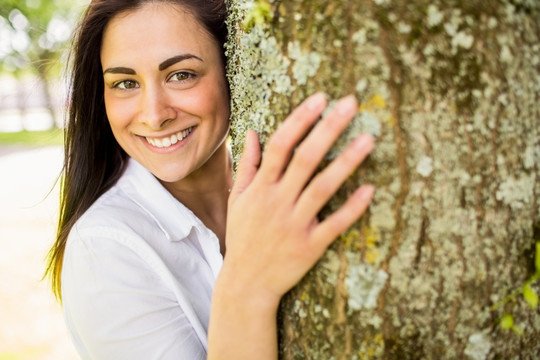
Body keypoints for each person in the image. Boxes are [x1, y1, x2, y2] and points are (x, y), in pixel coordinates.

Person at [45, 0, 375, 358]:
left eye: (181, 75)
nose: (154, 116)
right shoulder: (106, 249)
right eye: (126, 83)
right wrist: (250, 284)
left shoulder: (268, 191)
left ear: (233, 67)